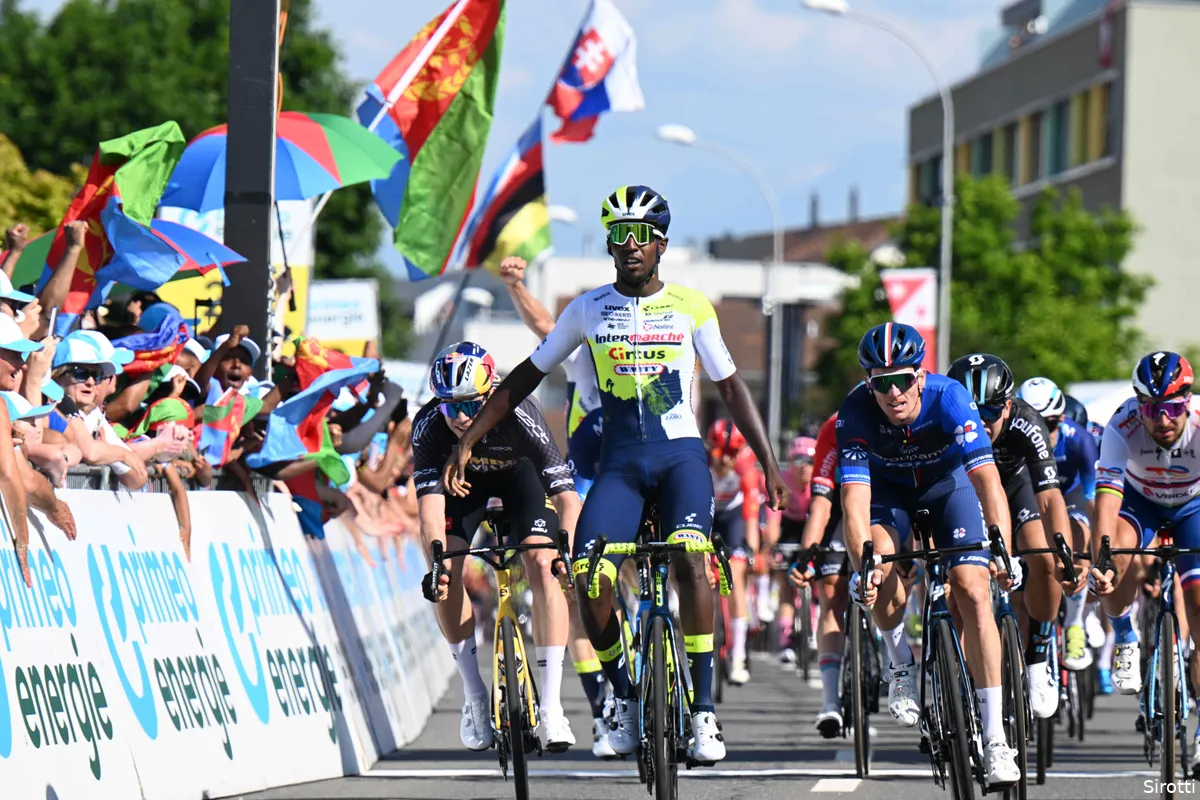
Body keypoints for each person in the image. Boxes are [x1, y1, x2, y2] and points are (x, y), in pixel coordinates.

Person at [442, 185, 786, 765]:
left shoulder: (691, 305)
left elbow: (730, 387)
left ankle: (703, 711)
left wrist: (770, 463)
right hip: (619, 465)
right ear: (608, 243)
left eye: (642, 235)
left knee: (690, 555)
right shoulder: (586, 309)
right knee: (590, 575)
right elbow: (524, 378)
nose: (630, 245)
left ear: (661, 244)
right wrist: (469, 439)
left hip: (680, 458)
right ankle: (624, 700)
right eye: (619, 235)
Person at [837, 323, 1020, 785]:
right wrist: (863, 565)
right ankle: (901, 661)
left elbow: (987, 483)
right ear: (868, 383)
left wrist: (1002, 546)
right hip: (888, 497)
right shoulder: (856, 411)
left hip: (948, 489)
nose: (893, 392)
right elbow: (854, 503)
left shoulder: (951, 397)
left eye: (902, 379)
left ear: (920, 377)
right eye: (881, 382)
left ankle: (996, 737)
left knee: (973, 591)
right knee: (878, 565)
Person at [416, 342, 582, 753]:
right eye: (447, 406)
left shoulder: (519, 413)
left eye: (469, 407)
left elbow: (567, 498)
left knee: (543, 565)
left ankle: (551, 704)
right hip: (463, 489)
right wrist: (437, 565)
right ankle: (473, 696)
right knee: (446, 572)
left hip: (520, 482)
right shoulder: (429, 428)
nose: (457, 418)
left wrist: (569, 555)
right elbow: (430, 513)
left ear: (490, 394)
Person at [495, 255, 615, 759]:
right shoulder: (586, 352)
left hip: (650, 469)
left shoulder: (665, 349)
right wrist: (516, 287)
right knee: (577, 589)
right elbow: (546, 326)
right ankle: (603, 710)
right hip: (590, 473)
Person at [948, 356, 1086, 720]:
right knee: (955, 584)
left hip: (1016, 484)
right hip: (967, 488)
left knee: (1042, 558)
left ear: (1008, 405)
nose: (980, 423)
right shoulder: (943, 419)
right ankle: (960, 677)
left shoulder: (1027, 422)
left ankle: (1038, 657)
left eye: (991, 412)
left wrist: (1064, 556)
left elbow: (1050, 496)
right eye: (972, 413)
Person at [1091, 351, 1200, 755]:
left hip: (1194, 506)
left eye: (1172, 407)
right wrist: (1101, 560)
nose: (1163, 419)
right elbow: (1106, 500)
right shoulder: (1122, 424)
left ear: (1187, 400)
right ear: (1139, 405)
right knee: (1116, 557)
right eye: (1152, 409)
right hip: (1140, 503)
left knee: (1199, 600)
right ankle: (1125, 636)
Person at [1018, 379, 1103, 671]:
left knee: (1077, 541)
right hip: (1032, 496)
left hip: (1071, 496)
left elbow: (1094, 501)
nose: (1042, 431)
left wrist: (1099, 551)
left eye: (1050, 424)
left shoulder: (1079, 438)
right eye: (1036, 422)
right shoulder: (1014, 437)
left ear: (1062, 419)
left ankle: (1074, 623)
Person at [788, 416, 852, 736]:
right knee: (830, 591)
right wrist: (806, 555)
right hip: (837, 509)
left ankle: (895, 663)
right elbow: (820, 505)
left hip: (880, 506)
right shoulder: (834, 429)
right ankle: (830, 701)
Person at [707, 419, 761, 686]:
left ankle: (738, 653)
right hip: (707, 514)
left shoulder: (745, 467)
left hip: (733, 518)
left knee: (735, 574)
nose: (725, 461)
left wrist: (750, 550)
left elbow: (752, 512)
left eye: (731, 455)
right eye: (719, 454)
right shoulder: (700, 461)